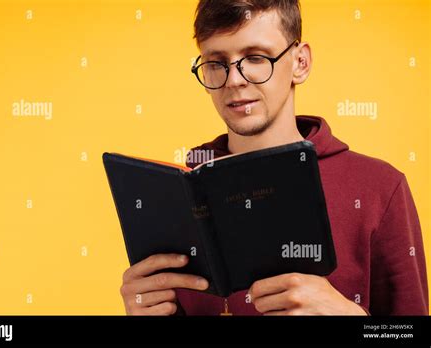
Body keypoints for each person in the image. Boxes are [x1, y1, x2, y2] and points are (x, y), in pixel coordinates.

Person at [120, 0, 428, 315]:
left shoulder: (380, 187)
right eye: (216, 62)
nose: (234, 80)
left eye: (255, 57)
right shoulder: (176, 194)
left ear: (301, 62)